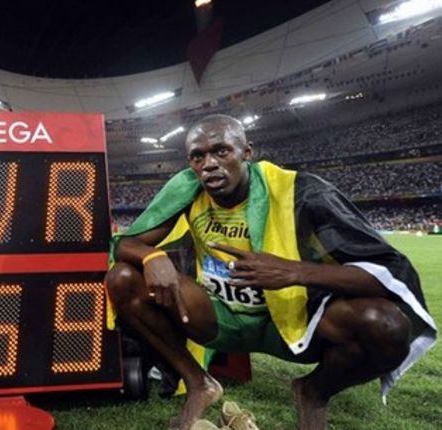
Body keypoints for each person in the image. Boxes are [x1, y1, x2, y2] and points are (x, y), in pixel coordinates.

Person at [105, 114, 436, 430]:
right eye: (197, 156)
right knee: (122, 278)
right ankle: (199, 383)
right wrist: (151, 256)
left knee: (386, 325)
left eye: (221, 151)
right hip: (219, 316)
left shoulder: (304, 192)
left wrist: (292, 272)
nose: (209, 164)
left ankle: (314, 393)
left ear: (247, 152)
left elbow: (387, 270)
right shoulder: (188, 189)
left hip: (297, 318)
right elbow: (125, 244)